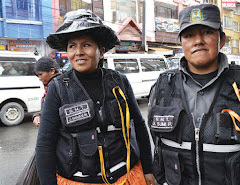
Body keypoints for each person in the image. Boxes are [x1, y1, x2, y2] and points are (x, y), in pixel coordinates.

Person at [36, 9, 155, 185]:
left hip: (127, 177)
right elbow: (45, 144)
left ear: (101, 51)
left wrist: (148, 170)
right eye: (72, 46)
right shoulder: (58, 87)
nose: (78, 52)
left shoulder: (119, 81)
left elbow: (139, 127)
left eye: (86, 45)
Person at [148, 4, 240, 185]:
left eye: (206, 32)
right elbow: (157, 143)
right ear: (181, 43)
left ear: (221, 40)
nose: (198, 41)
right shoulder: (163, 84)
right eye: (189, 35)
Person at [32, 56, 61, 127]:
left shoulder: (57, 86)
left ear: (52, 71)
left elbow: (52, 111)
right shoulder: (51, 85)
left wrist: (39, 115)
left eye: (40, 75)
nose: (39, 78)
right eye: (38, 76)